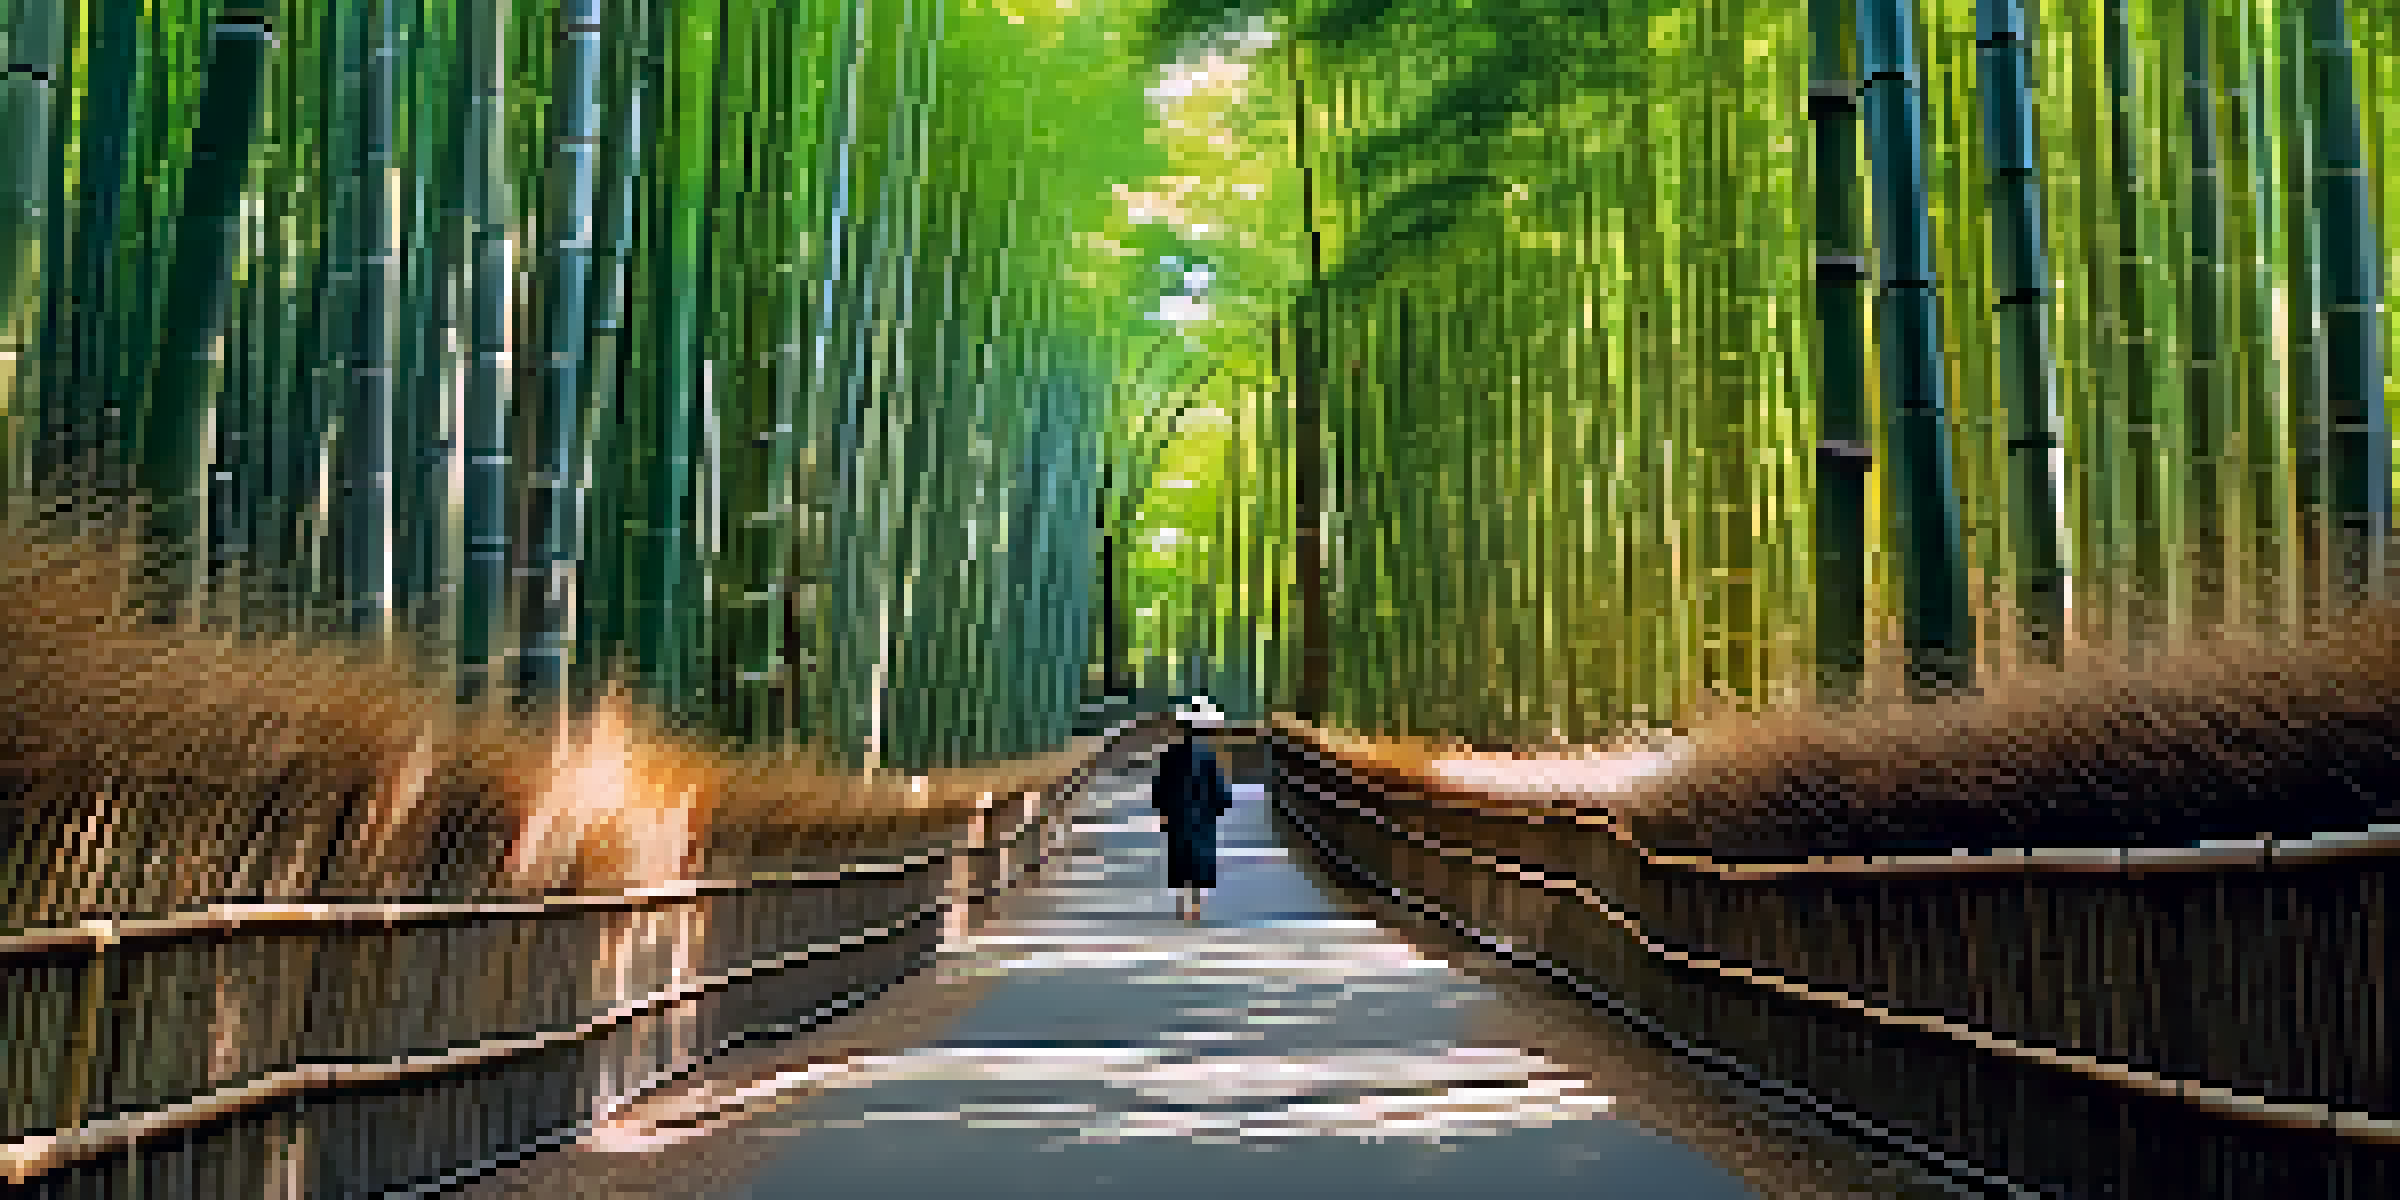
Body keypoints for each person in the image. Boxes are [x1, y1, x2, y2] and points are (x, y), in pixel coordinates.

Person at [1153, 696, 1234, 921]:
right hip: (1202, 817)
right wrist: (1220, 806)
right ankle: (1195, 907)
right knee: (1199, 861)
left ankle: (1181, 903)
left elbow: (1161, 785)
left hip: (1178, 815)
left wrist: (1163, 812)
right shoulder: (1209, 756)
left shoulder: (1171, 754)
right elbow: (1218, 789)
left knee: (1179, 858)